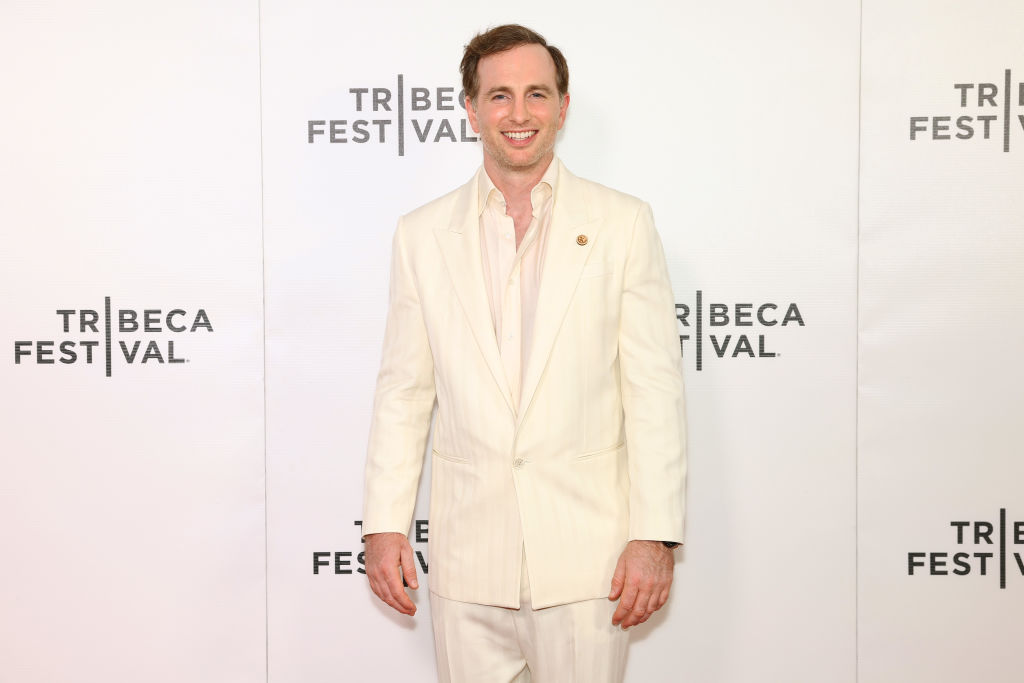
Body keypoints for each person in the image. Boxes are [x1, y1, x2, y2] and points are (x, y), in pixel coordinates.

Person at [362, 24, 686, 683]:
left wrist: (654, 535)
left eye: (536, 94)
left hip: (590, 561)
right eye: (500, 95)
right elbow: (404, 392)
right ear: (471, 109)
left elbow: (654, 391)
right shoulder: (420, 235)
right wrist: (384, 524)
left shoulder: (623, 224)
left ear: (562, 107)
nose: (519, 113)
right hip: (468, 560)